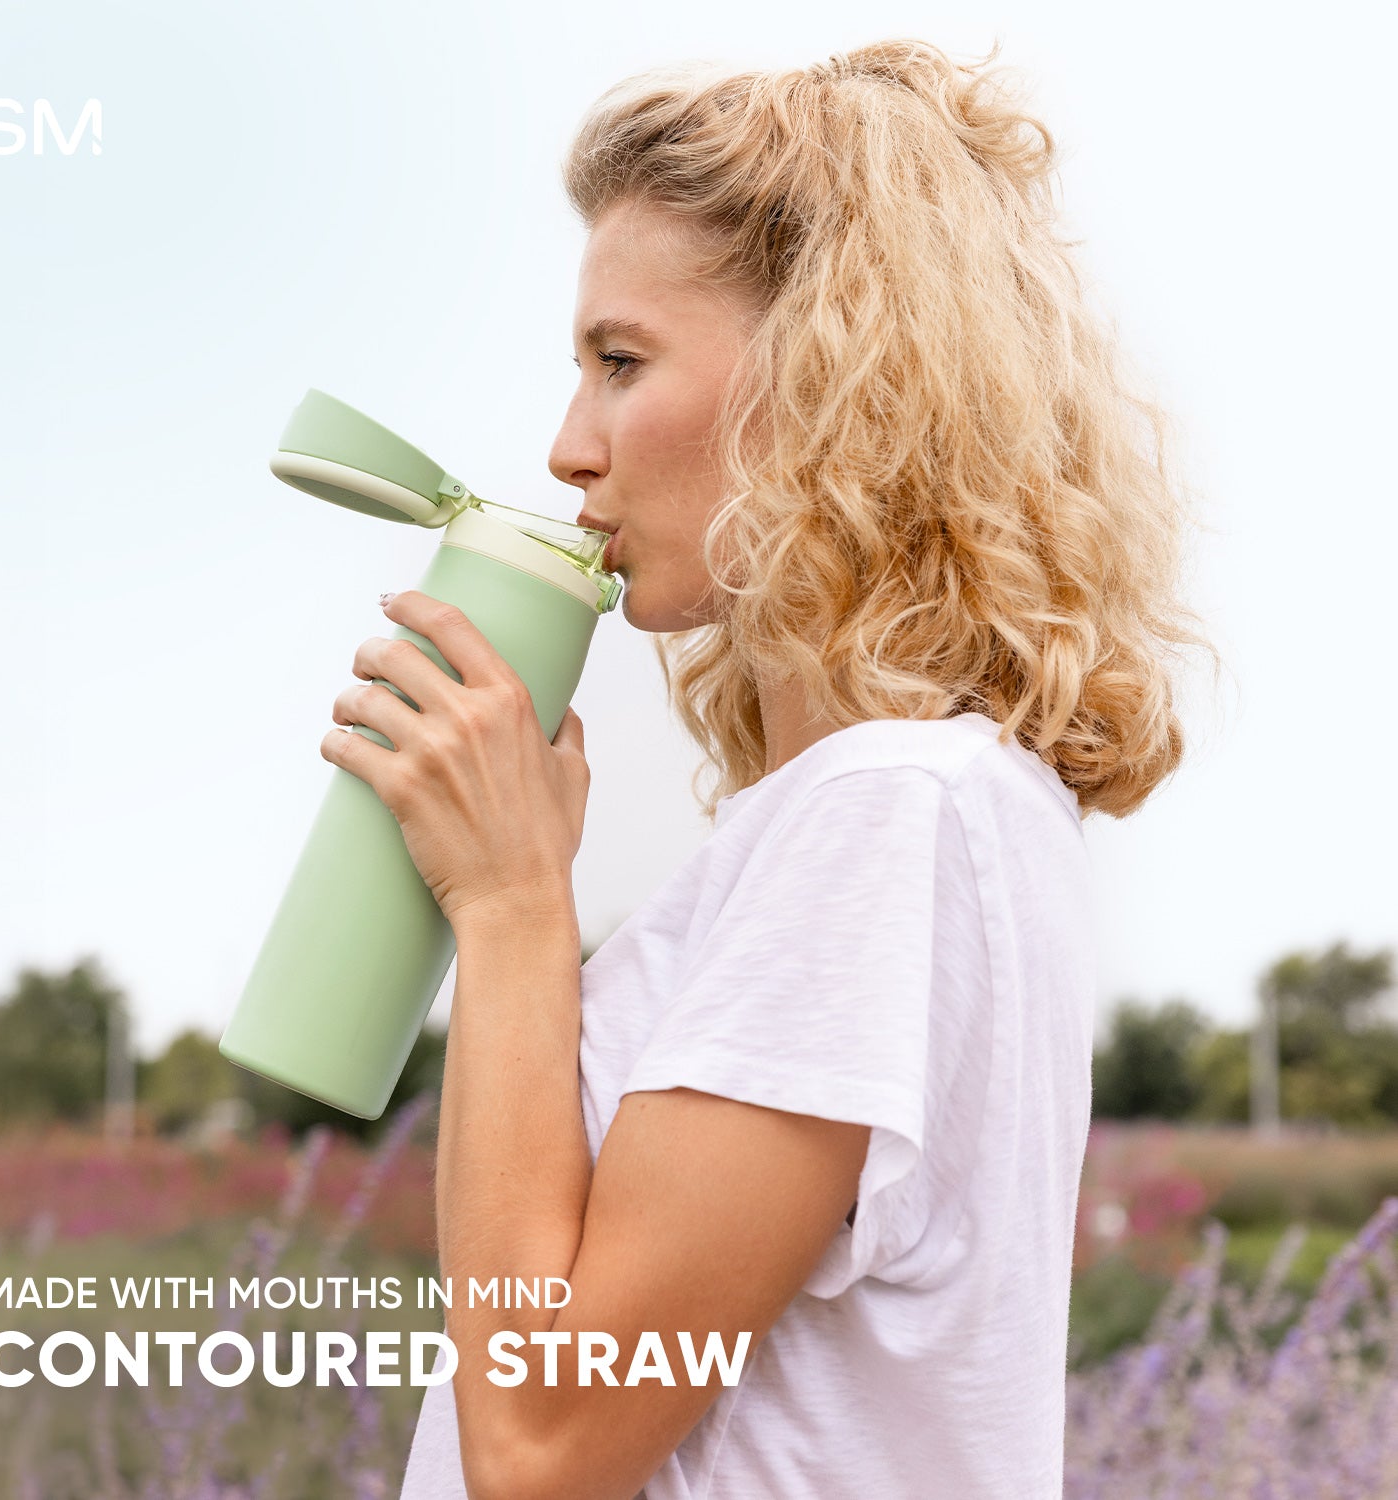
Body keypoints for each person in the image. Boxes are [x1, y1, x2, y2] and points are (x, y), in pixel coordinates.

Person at [320, 37, 1214, 1500]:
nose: (566, 448)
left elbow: (544, 1443)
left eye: (622, 362)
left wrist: (510, 906)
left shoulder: (895, 814)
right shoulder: (920, 810)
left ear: (834, 372)